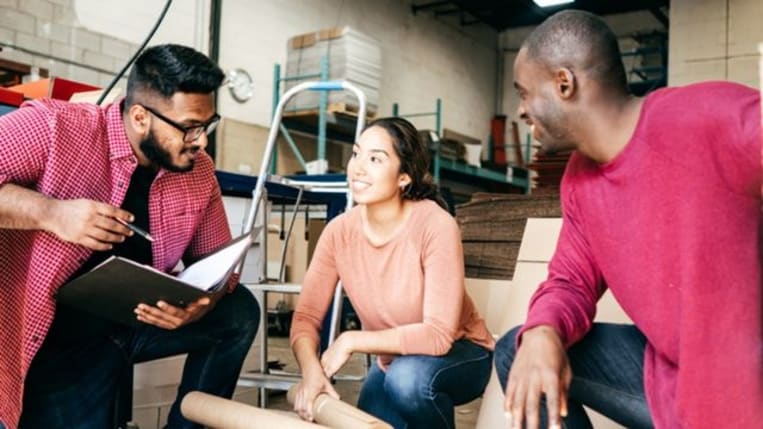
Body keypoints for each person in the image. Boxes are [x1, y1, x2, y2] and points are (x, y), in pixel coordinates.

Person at [494, 9, 762, 429]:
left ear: (564, 83)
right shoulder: (579, 181)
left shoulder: (707, 117)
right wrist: (543, 332)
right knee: (521, 348)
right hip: (669, 382)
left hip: (742, 396)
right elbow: (570, 281)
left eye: (525, 93)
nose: (521, 110)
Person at [0, 44, 260, 429]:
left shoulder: (198, 171)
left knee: (238, 312)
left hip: (135, 321)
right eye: (189, 127)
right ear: (140, 117)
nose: (201, 140)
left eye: (208, 125)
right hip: (49, 337)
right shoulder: (53, 128)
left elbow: (220, 267)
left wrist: (203, 302)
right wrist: (53, 213)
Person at [289, 117, 495, 429]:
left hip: (462, 353)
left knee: (408, 381)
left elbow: (438, 337)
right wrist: (311, 372)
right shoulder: (339, 232)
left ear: (404, 177)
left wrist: (350, 340)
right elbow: (305, 318)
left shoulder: (435, 225)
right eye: (356, 154)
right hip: (393, 362)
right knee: (370, 415)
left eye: (375, 159)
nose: (358, 168)